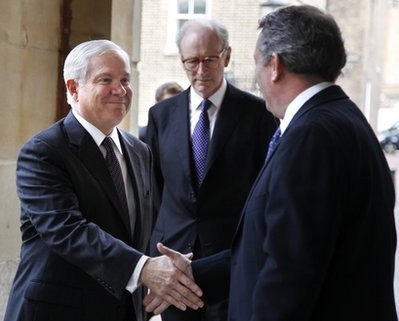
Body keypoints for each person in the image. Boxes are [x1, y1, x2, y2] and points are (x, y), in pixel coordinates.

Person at [146, 5, 398, 321]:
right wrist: (196, 272)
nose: (257, 77)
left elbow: (289, 273)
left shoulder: (311, 136)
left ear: (274, 65)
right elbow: (270, 244)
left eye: (257, 64)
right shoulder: (342, 118)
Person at [4, 39, 203, 321]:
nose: (120, 90)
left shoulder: (139, 150)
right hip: (58, 311)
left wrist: (168, 268)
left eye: (125, 80)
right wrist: (144, 269)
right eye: (105, 79)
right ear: (73, 88)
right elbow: (67, 230)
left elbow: (146, 228)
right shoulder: (43, 152)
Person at [145, 18, 277, 321]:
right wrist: (152, 256)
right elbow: (153, 190)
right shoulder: (161, 115)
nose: (201, 71)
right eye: (192, 62)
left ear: (227, 56)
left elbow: (264, 190)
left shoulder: (258, 114)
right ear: (181, 61)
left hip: (231, 264)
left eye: (210, 60)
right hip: (174, 264)